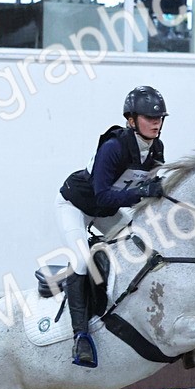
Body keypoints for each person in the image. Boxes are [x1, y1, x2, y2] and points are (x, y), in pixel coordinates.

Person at [55, 85, 169, 367]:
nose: (156, 122)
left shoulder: (157, 148)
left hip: (106, 211)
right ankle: (80, 335)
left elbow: (145, 192)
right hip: (76, 206)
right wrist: (144, 193)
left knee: (143, 243)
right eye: (149, 117)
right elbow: (103, 194)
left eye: (159, 118)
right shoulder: (114, 146)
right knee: (82, 259)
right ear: (131, 120)